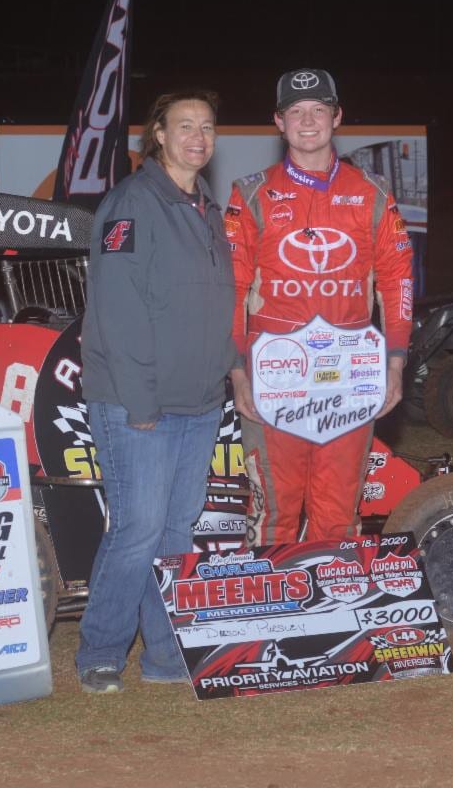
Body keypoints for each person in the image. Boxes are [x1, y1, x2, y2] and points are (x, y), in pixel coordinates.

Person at [76, 91, 236, 694]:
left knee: (174, 534)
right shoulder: (131, 204)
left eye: (208, 127)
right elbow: (118, 312)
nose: (198, 137)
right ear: (159, 137)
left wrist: (226, 375)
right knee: (137, 531)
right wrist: (140, 403)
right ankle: (101, 653)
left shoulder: (205, 210)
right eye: (185, 126)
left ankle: (166, 656)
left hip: (197, 403)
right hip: (136, 402)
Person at [225, 68, 414, 545]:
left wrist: (395, 363)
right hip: (273, 374)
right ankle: (270, 616)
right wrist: (237, 372)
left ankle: (334, 611)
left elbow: (398, 282)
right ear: (279, 122)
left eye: (319, 110)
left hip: (349, 374)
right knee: (275, 516)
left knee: (337, 517)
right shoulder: (250, 193)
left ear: (337, 116)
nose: (308, 121)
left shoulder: (372, 192)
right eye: (296, 111)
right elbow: (229, 290)